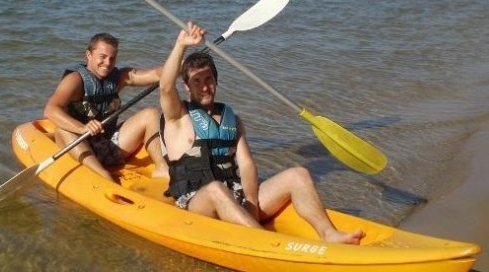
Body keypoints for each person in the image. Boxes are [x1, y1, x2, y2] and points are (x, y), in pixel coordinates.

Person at [158, 22, 365, 244]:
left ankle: (329, 233)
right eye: (196, 81)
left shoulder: (232, 121)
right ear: (187, 87)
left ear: (216, 80)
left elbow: (246, 165)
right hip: (197, 203)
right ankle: (264, 242)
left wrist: (250, 201)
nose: (204, 86)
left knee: (298, 174)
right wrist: (181, 45)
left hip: (233, 194)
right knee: (217, 189)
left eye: (208, 79)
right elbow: (165, 87)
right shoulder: (178, 116)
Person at [44, 32, 169, 181]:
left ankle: (162, 168)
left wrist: (180, 63)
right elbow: (51, 109)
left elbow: (156, 74)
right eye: (102, 56)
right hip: (80, 145)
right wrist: (82, 128)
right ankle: (103, 175)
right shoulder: (75, 80)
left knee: (151, 113)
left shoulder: (119, 77)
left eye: (112, 58)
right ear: (88, 55)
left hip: (108, 144)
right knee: (62, 130)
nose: (108, 63)